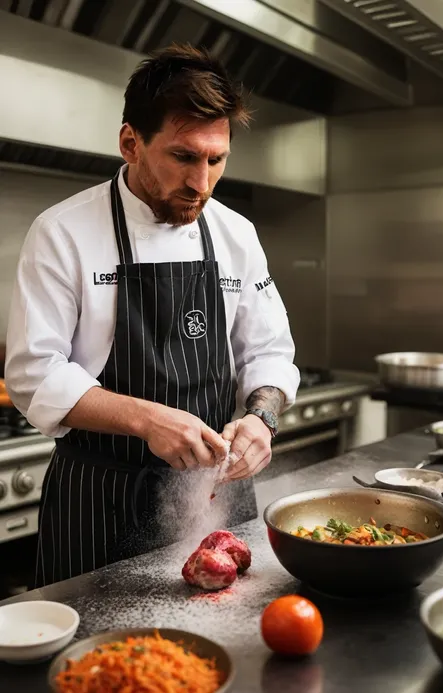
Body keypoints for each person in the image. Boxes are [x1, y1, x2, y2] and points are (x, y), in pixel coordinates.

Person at [5, 44, 300, 588]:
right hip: (98, 498)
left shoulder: (236, 234)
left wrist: (263, 418)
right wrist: (147, 419)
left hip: (215, 496)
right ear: (130, 143)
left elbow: (270, 352)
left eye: (217, 160)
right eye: (184, 157)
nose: (203, 184)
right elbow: (34, 374)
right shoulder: (63, 231)